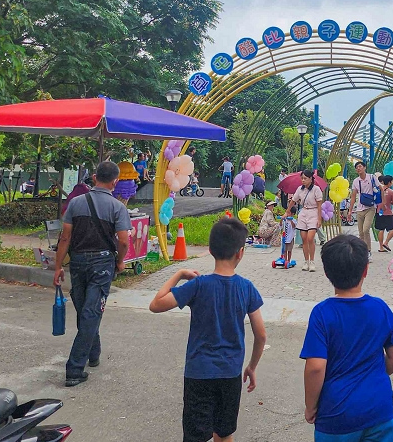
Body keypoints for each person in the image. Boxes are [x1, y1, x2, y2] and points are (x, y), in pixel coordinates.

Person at [149, 217, 267, 442]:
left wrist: (179, 274)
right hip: (230, 374)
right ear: (240, 252)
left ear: (210, 249)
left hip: (198, 373)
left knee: (195, 435)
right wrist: (251, 366)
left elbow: (156, 304)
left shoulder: (198, 285)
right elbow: (261, 334)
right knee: (224, 433)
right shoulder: (247, 288)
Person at [301, 235, 393, 441]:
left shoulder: (322, 313)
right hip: (379, 410)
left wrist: (310, 406)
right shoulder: (379, 308)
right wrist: (372, 374)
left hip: (336, 414)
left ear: (326, 273)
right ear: (365, 271)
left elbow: (315, 367)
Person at [53, 161, 131, 387]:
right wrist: (120, 261)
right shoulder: (118, 208)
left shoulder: (75, 203)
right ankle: (75, 369)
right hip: (103, 263)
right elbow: (124, 241)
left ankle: (93, 354)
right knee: (91, 312)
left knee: (86, 310)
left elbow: (65, 238)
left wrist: (58, 266)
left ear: (95, 177)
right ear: (115, 182)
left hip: (77, 262)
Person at [288, 169, 323, 272]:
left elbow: (319, 205)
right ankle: (306, 261)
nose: (303, 180)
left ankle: (312, 261)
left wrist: (319, 218)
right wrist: (287, 211)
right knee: (304, 238)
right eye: (302, 178)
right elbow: (293, 201)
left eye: (305, 178)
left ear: (311, 179)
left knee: (310, 238)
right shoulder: (300, 189)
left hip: (313, 213)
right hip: (303, 212)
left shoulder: (316, 189)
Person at [347, 161, 381, 261]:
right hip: (359, 209)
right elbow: (353, 196)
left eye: (360, 166)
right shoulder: (356, 181)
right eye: (357, 167)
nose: (358, 168)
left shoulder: (371, 177)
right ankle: (362, 253)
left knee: (366, 230)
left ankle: (369, 251)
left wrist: (381, 204)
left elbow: (381, 189)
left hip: (370, 207)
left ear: (364, 167)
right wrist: (350, 211)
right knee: (361, 233)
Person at [375, 175, 393, 252]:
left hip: (379, 212)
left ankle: (381, 247)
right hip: (388, 213)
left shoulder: (378, 190)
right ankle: (386, 242)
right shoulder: (391, 192)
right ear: (389, 182)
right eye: (392, 181)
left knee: (381, 229)